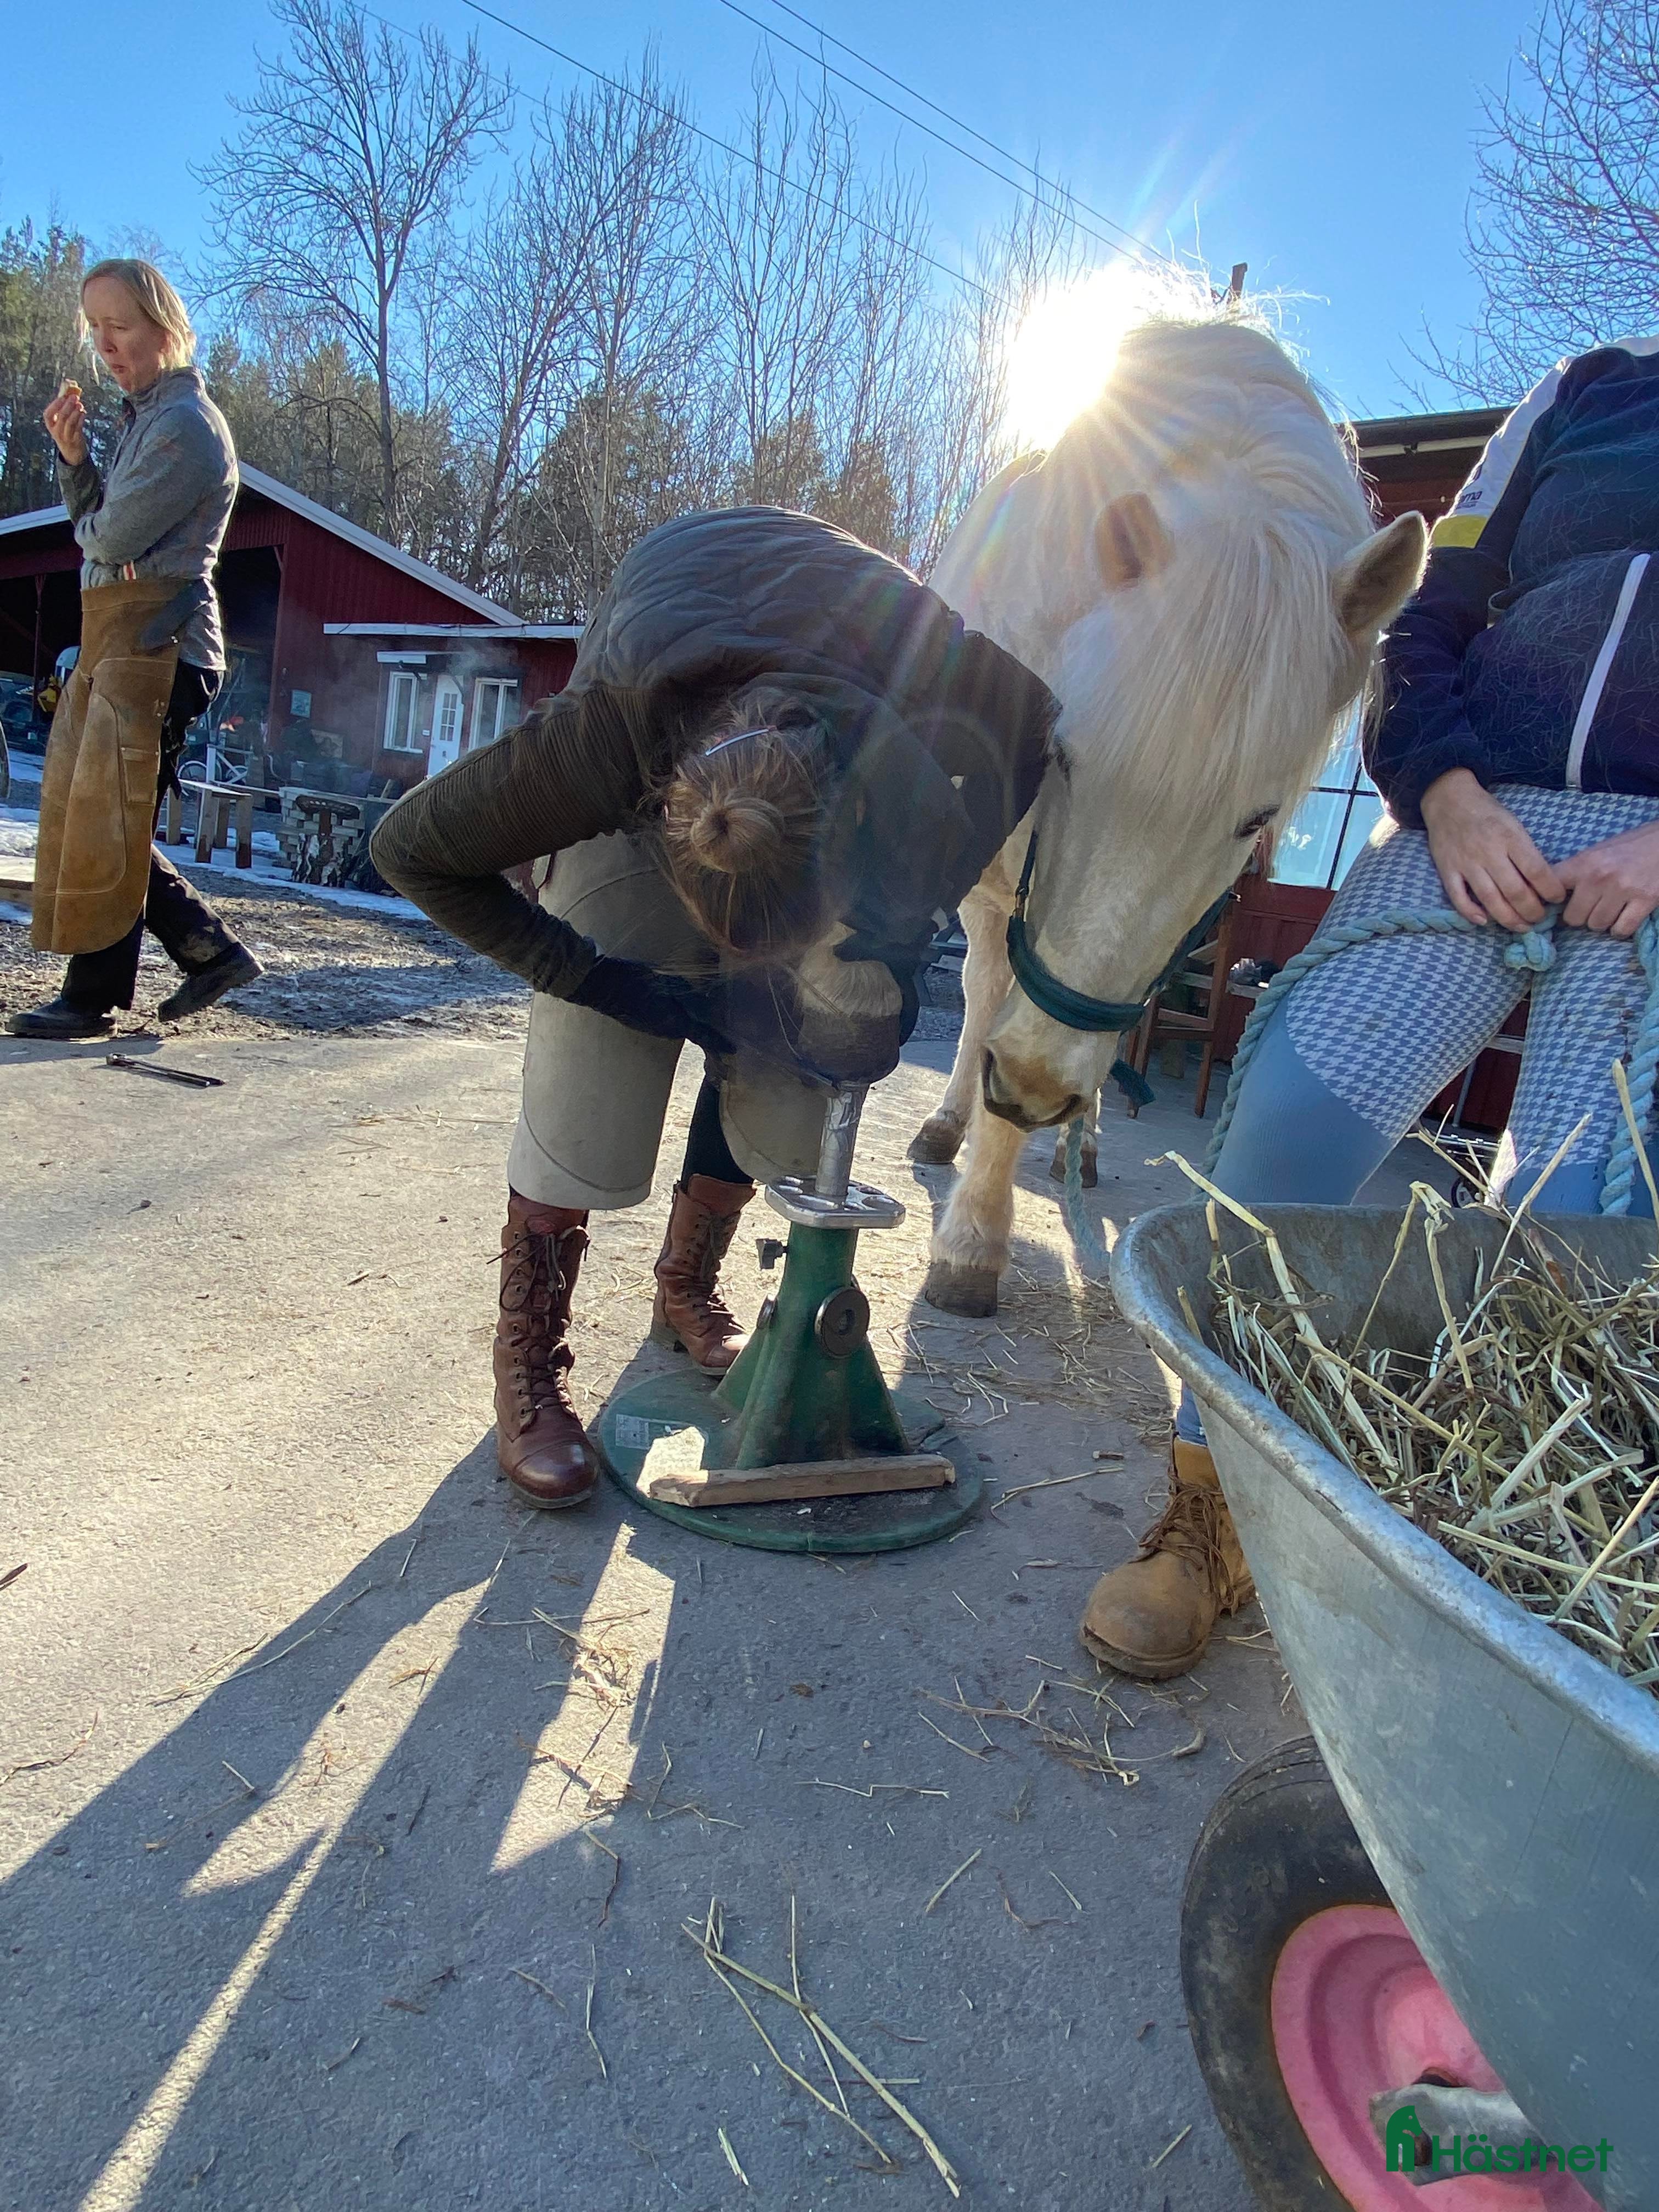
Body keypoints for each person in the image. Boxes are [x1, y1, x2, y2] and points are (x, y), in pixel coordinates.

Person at [1082, 333, 1659, 1680]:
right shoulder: (1588, 394)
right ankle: (1209, 1516)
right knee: (1285, 1112)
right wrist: (1444, 792)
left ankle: (1500, 1586)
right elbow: (1434, 603)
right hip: (1482, 817)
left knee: (1579, 1240)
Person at [371, 504, 1057, 1512]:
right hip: (664, 689)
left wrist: (920, 901)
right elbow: (408, 848)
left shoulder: (918, 700)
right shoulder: (598, 747)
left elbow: (1035, 725)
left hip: (829, 677)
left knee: (788, 1062)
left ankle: (685, 1283)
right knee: (590, 1080)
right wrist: (592, 977)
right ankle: (528, 1353)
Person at [12, 259, 261, 1040]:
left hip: (166, 643)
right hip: (129, 635)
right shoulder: (144, 420)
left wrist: (93, 521)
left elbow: (109, 536)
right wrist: (75, 461)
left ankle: (97, 997)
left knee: (109, 819)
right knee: (103, 817)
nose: (105, 344)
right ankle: (207, 954)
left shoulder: (186, 425)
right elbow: (98, 533)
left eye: (118, 326)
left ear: (162, 325)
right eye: (95, 330)